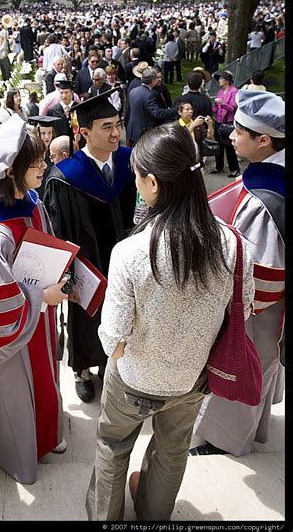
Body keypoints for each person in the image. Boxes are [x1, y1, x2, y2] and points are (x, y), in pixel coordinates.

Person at [85, 122, 254, 521]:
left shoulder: (130, 252)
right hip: (193, 377)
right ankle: (154, 513)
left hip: (134, 379)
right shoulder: (232, 242)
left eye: (139, 176)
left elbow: (112, 337)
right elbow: (243, 309)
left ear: (155, 184)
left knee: (112, 444)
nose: (136, 183)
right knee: (172, 450)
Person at [0, 114, 68, 485]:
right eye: (35, 162)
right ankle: (22, 455)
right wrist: (43, 296)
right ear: (11, 171)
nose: (44, 166)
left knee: (47, 374)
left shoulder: (34, 202)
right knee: (18, 391)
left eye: (43, 158)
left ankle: (49, 432)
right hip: (18, 332)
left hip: (40, 316)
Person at [191, 91, 285, 457]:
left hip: (258, 308)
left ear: (264, 140)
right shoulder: (271, 175)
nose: (230, 135)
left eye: (240, 131)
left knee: (246, 365)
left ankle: (227, 441)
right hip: (264, 305)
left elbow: (263, 275)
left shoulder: (267, 199)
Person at [44, 90, 136, 403]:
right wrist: (65, 272)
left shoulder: (128, 161)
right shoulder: (66, 177)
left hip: (124, 261)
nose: (116, 133)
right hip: (87, 264)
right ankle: (82, 369)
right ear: (84, 133)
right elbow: (57, 231)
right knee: (85, 318)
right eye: (106, 127)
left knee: (120, 314)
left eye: (118, 125)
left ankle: (109, 363)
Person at [126, 67, 178, 147]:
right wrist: (174, 111)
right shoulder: (149, 95)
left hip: (133, 129)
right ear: (153, 81)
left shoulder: (133, 91)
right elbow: (157, 113)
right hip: (143, 131)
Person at [211, 70, 241, 178]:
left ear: (227, 80)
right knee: (218, 145)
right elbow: (216, 107)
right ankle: (219, 166)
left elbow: (233, 108)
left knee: (229, 146)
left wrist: (222, 104)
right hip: (219, 122)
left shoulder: (234, 91)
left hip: (228, 123)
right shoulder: (220, 92)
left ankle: (234, 169)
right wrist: (211, 108)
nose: (219, 80)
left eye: (221, 78)